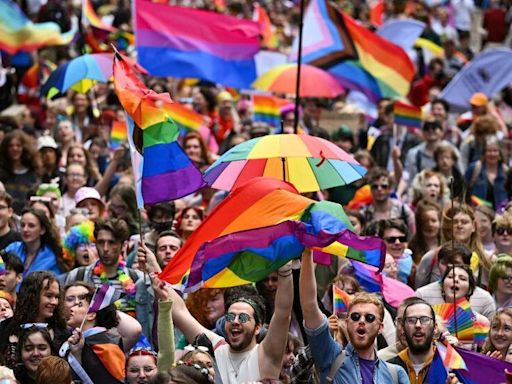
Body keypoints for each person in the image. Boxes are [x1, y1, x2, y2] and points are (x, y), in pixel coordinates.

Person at [167, 261, 294, 383]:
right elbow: (180, 312)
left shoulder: (267, 353)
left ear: (257, 328)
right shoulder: (218, 348)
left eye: (243, 318)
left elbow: (283, 313)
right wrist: (154, 272)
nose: (235, 321)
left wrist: (285, 272)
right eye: (230, 317)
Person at [299, 249, 408, 383]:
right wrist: (307, 253)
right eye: (355, 317)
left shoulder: (395, 374)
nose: (361, 321)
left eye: (369, 318)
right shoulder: (331, 357)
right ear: (347, 322)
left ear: (380, 328)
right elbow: (309, 306)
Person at [63, 218, 153, 340]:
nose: (105, 248)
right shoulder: (78, 276)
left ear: (123, 245)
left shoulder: (137, 278)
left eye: (112, 243)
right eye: (101, 242)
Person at [65, 282, 141, 383]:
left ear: (91, 315)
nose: (71, 309)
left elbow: (115, 380)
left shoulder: (106, 344)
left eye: (79, 305)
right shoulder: (76, 339)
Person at [0, 271, 69, 369]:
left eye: (57, 297)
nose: (54, 302)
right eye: (49, 296)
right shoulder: (4, 329)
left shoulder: (63, 333)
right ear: (31, 296)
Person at [416, 246, 496, 320]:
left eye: (455, 263)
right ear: (438, 264)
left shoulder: (485, 299)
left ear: (467, 266)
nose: (449, 267)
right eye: (444, 263)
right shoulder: (422, 295)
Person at [6, 208, 68, 275]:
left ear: (42, 230)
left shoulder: (51, 257)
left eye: (31, 226)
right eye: (22, 225)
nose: (25, 229)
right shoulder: (12, 248)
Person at [361, 168, 415, 234]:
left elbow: (413, 236)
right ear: (371, 189)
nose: (379, 189)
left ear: (390, 189)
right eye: (375, 186)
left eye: (384, 186)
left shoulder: (403, 210)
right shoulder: (364, 213)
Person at [0, 130, 41, 214]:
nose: (14, 148)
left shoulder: (33, 173)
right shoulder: (2, 172)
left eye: (18, 145)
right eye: (11, 146)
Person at [465, 135, 510, 210]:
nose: (492, 154)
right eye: (489, 151)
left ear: (500, 153)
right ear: (484, 152)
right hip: (478, 213)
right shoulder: (474, 168)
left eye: (495, 151)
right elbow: (464, 191)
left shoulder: (506, 171)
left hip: (501, 216)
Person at [408, 200, 442, 264]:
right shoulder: (411, 248)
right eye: (425, 221)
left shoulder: (447, 244)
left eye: (433, 220)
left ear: (440, 222)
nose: (429, 224)